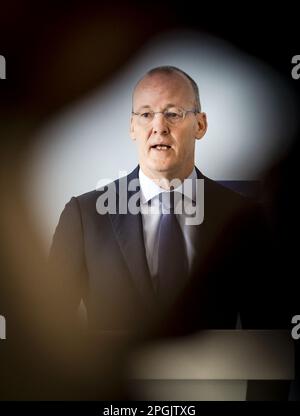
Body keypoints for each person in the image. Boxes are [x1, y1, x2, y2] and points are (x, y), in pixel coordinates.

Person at [49, 66, 280, 341]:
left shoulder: (244, 218)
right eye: (146, 115)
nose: (159, 127)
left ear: (201, 125)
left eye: (173, 113)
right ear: (132, 127)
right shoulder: (84, 217)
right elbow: (48, 332)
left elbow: (270, 341)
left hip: (215, 383)